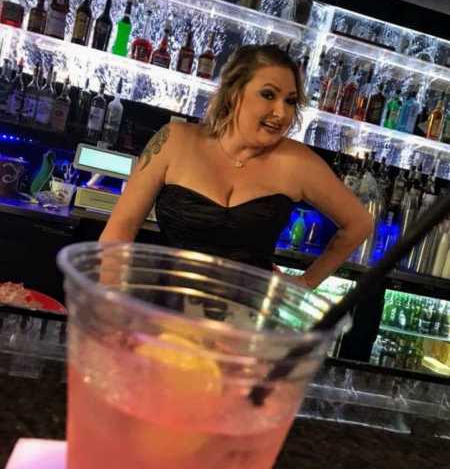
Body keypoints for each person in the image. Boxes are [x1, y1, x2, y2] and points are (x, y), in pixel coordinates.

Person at [100, 44, 373, 289]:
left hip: (245, 326)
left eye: (290, 101)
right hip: (167, 313)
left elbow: (359, 224)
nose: (282, 112)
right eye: (269, 95)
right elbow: (119, 229)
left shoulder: (299, 163)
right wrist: (108, 304)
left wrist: (304, 283)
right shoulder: (175, 140)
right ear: (234, 93)